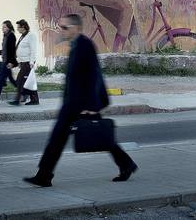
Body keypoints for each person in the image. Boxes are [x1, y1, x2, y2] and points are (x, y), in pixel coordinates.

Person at [24, 14, 137, 187]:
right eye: (60, 27)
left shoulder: (85, 45)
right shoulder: (76, 45)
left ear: (75, 28)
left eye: (64, 27)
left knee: (99, 136)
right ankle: (44, 175)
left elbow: (94, 76)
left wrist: (92, 106)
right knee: (58, 138)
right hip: (73, 103)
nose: (61, 30)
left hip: (82, 104)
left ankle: (126, 164)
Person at [8, 19, 39, 106]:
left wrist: (32, 61)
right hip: (23, 62)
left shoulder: (31, 35)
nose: (17, 29)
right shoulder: (23, 36)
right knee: (28, 81)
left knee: (20, 80)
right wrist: (17, 62)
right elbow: (20, 50)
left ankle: (17, 100)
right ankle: (34, 99)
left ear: (23, 27)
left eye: (18, 27)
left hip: (28, 62)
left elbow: (33, 49)